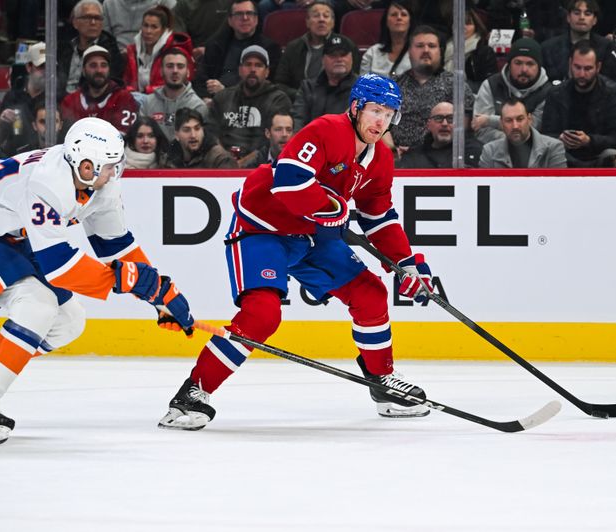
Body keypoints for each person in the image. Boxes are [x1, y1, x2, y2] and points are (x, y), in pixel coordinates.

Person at [158, 73, 435, 431]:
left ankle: (382, 381)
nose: (381, 121)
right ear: (355, 107)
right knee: (262, 315)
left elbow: (378, 216)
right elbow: (289, 182)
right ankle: (193, 393)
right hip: (263, 229)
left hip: (312, 236)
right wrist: (329, 206)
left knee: (370, 294)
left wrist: (406, 265)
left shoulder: (380, 158)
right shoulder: (326, 130)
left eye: (389, 114)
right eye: (375, 110)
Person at [0, 117, 197, 444]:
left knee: (70, 321)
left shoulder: (100, 184)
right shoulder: (47, 183)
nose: (116, 173)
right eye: (110, 166)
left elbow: (116, 245)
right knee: (38, 304)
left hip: (14, 237)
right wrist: (131, 282)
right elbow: (60, 266)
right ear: (86, 166)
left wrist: (159, 293)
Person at [388, 25, 475, 156]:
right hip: (398, 158)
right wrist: (393, 150)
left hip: (443, 157)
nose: (426, 50)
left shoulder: (456, 85)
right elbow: (379, 124)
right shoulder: (393, 86)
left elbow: (463, 129)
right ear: (409, 52)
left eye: (432, 46)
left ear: (440, 52)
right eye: (420, 46)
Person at [541, 40, 616, 167]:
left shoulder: (613, 93)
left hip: (599, 154)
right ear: (570, 64)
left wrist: (589, 141)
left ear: (598, 67)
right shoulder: (556, 94)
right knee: (550, 151)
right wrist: (560, 138)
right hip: (564, 154)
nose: (582, 74)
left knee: (612, 154)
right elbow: (546, 134)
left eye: (588, 68)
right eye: (577, 67)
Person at [210, 45, 291, 159]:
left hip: (260, 162)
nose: (253, 69)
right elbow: (211, 134)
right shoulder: (223, 97)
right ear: (240, 70)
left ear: (267, 72)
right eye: (248, 64)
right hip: (223, 162)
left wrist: (244, 163)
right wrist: (225, 160)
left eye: (258, 65)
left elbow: (273, 141)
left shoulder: (278, 100)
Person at [192, 0, 281, 101]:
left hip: (249, 102)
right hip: (212, 100)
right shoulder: (215, 45)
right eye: (239, 14)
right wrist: (205, 98)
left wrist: (225, 92)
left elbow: (266, 86)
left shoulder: (269, 48)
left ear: (256, 19)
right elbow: (201, 78)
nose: (245, 18)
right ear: (230, 21)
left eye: (249, 13)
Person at [472, 38, 554, 145]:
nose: (524, 69)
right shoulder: (491, 85)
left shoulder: (548, 92)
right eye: (518, 63)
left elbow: (533, 129)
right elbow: (480, 128)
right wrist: (507, 142)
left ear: (539, 66)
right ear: (509, 64)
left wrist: (490, 121)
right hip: (492, 150)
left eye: (530, 64)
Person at [274, 1, 359, 101]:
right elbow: (280, 84)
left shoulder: (346, 46)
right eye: (316, 16)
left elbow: (353, 81)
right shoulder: (293, 47)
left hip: (336, 102)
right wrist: (301, 95)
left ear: (333, 23)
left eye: (326, 16)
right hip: (298, 101)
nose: (321, 20)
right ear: (307, 22)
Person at [60, 45, 138, 133]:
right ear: (83, 70)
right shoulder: (70, 101)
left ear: (109, 69)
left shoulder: (124, 98)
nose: (99, 70)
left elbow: (122, 136)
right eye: (93, 65)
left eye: (103, 65)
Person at [139, 47, 208, 142]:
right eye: (170, 66)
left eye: (180, 66)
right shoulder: (148, 102)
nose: (175, 71)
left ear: (188, 72)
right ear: (161, 71)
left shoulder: (197, 106)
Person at [291, 34, 358, 131]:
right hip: (311, 139)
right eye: (333, 55)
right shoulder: (308, 88)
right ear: (323, 60)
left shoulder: (363, 89)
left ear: (351, 58)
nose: (339, 59)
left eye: (343, 55)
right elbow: (298, 121)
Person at [123, 5, 194, 96]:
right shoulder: (132, 51)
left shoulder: (176, 53)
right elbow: (126, 82)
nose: (148, 31)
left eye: (154, 27)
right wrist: (130, 92)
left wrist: (145, 93)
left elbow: (177, 84)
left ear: (164, 30)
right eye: (145, 25)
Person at [58, 0, 123, 98]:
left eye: (97, 18)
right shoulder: (64, 44)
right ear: (75, 23)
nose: (93, 22)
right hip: (59, 99)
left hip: (90, 101)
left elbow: (111, 82)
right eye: (87, 17)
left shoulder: (110, 48)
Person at [479, 98, 567, 168]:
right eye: (509, 120)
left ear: (529, 119)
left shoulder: (554, 148)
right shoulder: (489, 151)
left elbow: (558, 184)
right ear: (501, 123)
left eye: (520, 119)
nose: (515, 126)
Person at [0, 42, 46, 156]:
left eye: (50, 67)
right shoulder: (12, 97)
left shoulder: (57, 97)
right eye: (41, 66)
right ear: (29, 67)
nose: (46, 72)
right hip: (16, 158)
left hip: (46, 158)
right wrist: (1, 123)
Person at [541, 0, 614, 82]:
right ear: (568, 17)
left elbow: (610, 81)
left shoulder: (606, 47)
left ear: (594, 20)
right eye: (576, 13)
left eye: (587, 14)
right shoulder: (548, 48)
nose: (581, 17)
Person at [398, 101, 483, 169]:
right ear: (428, 125)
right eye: (438, 118)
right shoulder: (414, 155)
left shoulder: (475, 151)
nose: (444, 124)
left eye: (450, 118)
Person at [443, 8, 498, 93]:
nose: (463, 27)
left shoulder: (484, 51)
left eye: (468, 23)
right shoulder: (442, 47)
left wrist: (458, 86)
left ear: (476, 27)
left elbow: (489, 85)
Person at [163, 107, 237, 168]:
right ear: (176, 135)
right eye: (186, 130)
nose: (193, 135)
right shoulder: (168, 159)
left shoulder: (220, 158)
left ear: (203, 130)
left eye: (197, 128)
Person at [360, 1, 415, 80]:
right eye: (394, 15)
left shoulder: (418, 52)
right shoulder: (372, 53)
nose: (399, 18)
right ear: (386, 21)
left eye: (404, 14)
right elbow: (363, 85)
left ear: (410, 22)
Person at [102, 0, 177, 53]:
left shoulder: (164, 2)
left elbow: (170, 34)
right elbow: (105, 38)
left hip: (153, 54)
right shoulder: (109, 3)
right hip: (116, 55)